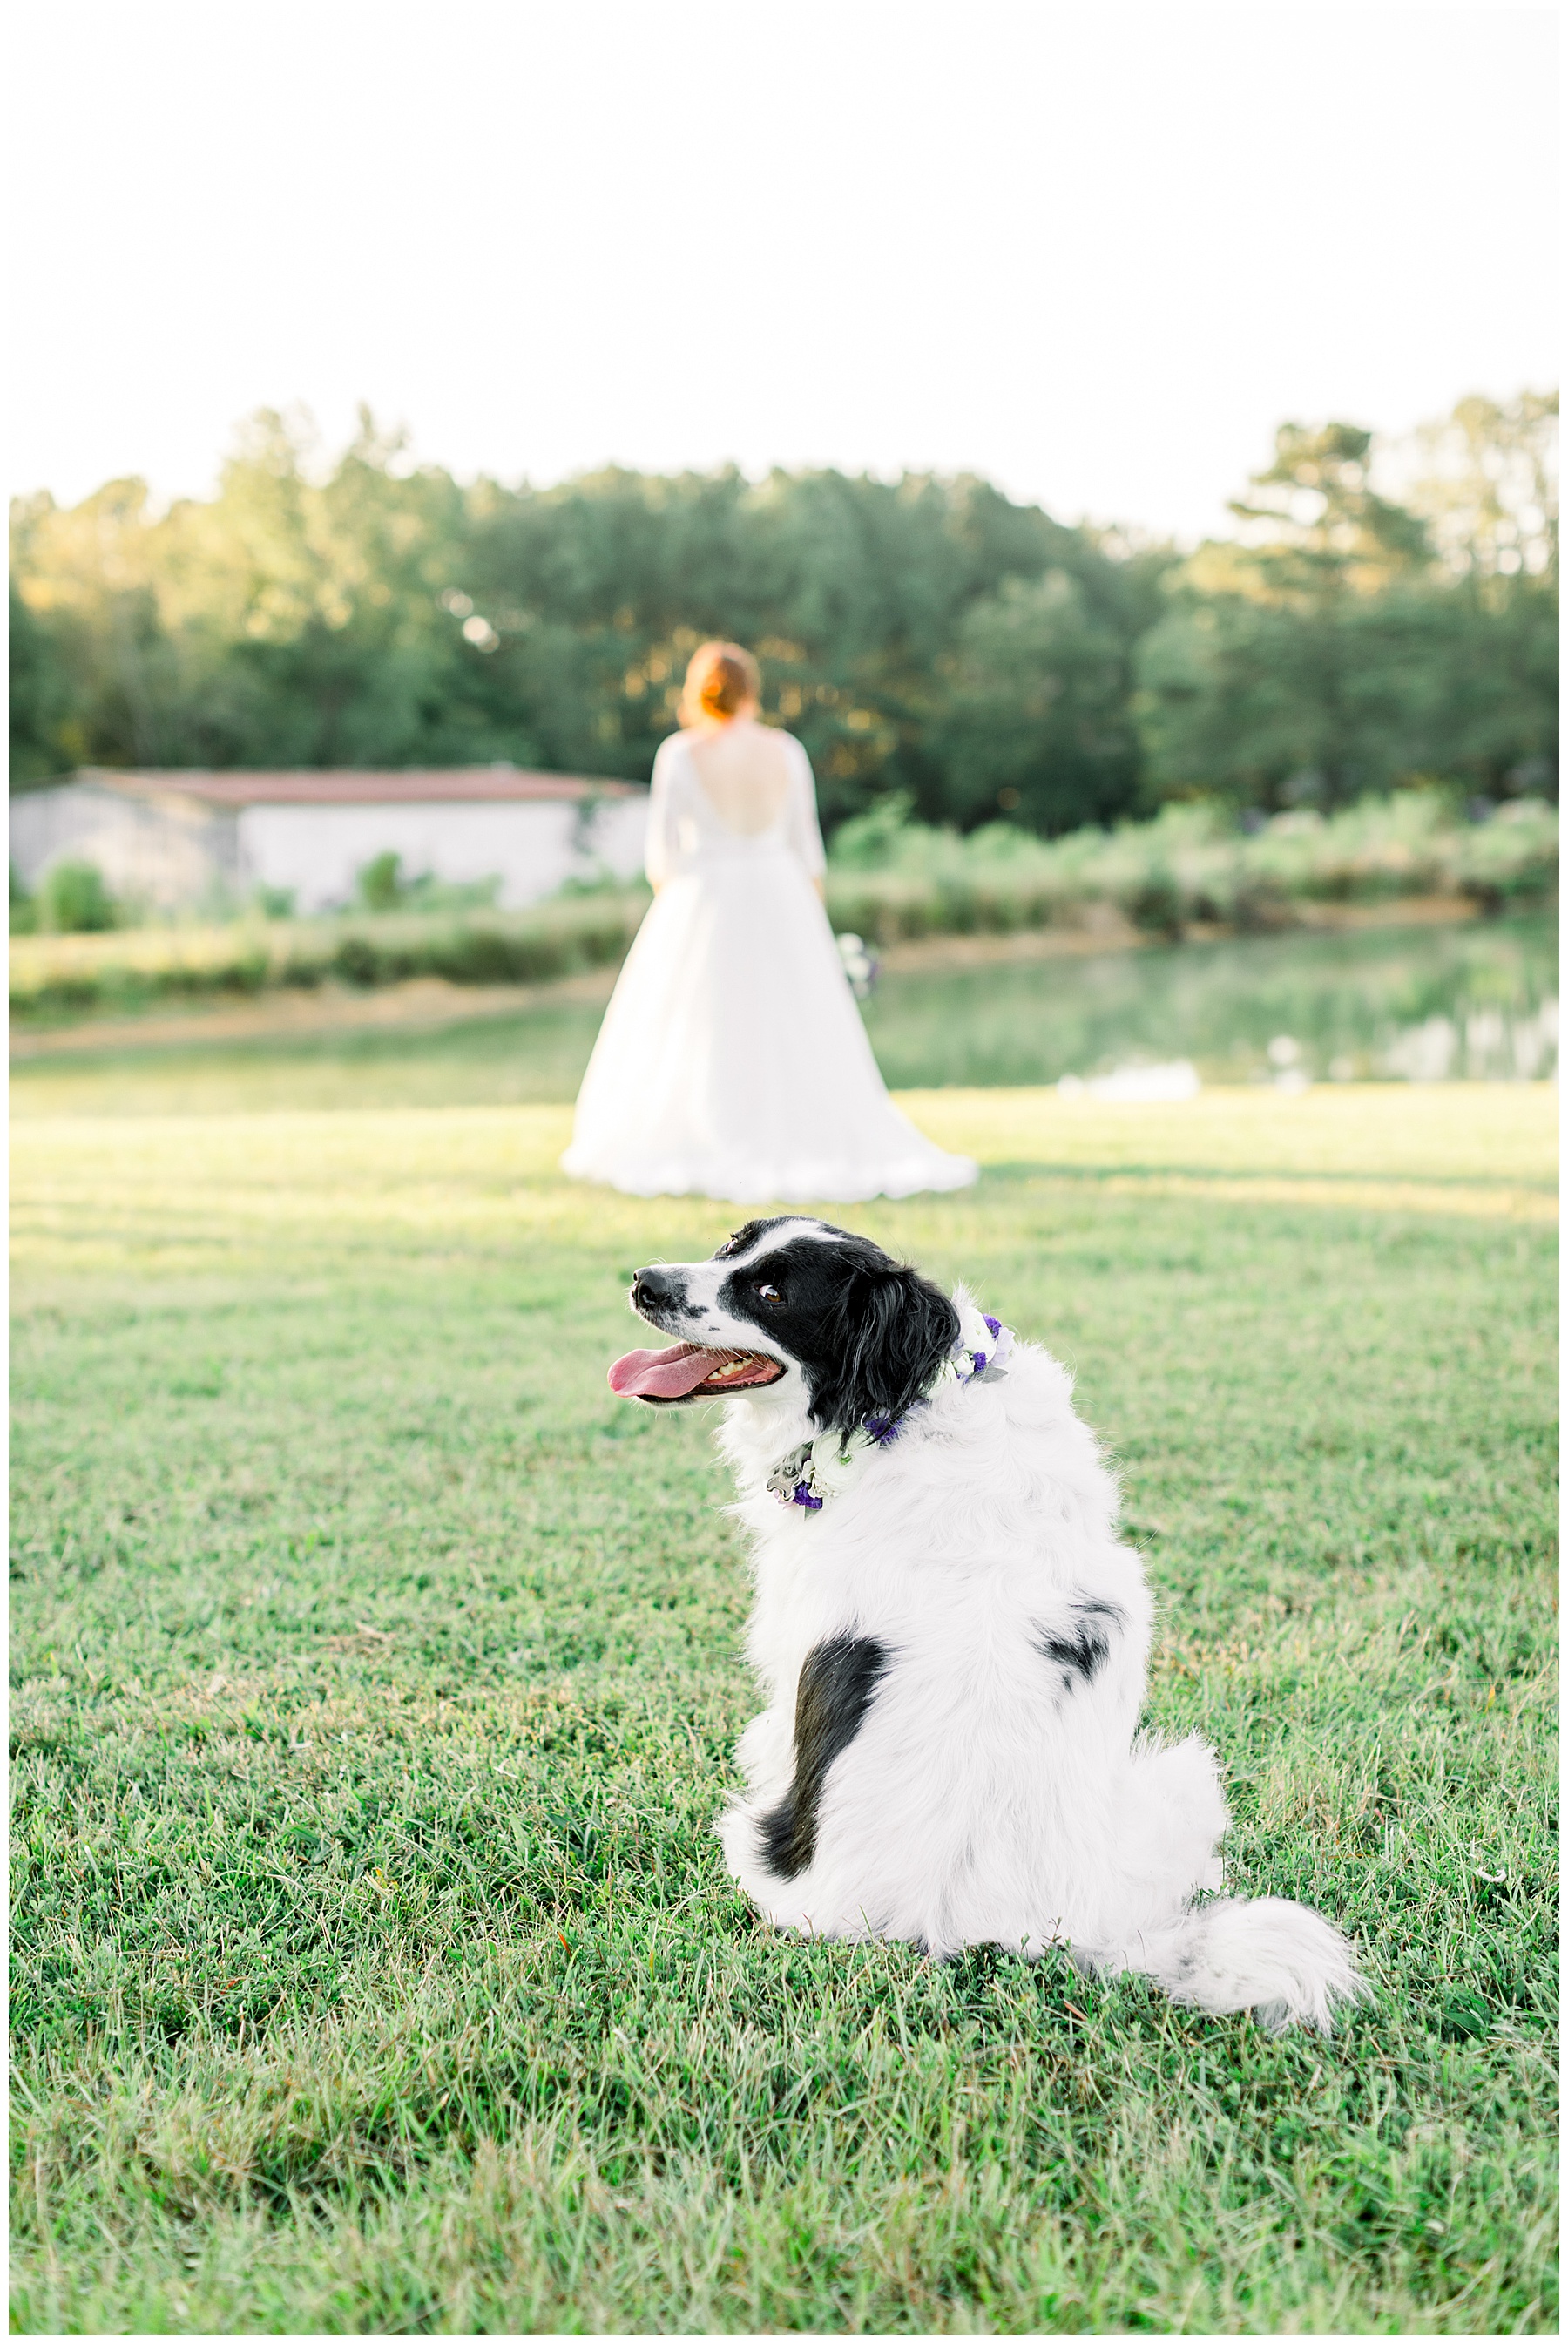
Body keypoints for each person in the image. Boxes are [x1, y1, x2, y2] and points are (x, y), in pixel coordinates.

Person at [561, 641, 977, 1202]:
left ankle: (712, 1132)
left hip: (706, 896)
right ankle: (801, 1132)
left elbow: (661, 858)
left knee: (704, 1023)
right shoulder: (786, 750)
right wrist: (811, 926)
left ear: (697, 692)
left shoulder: (680, 754)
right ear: (752, 690)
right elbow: (807, 848)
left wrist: (684, 907)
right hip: (781, 893)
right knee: (794, 1020)